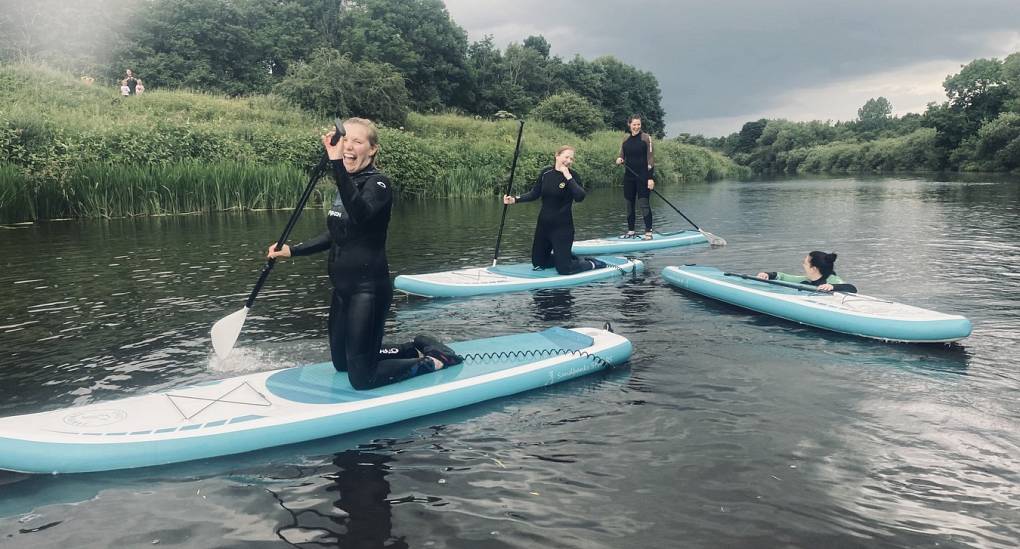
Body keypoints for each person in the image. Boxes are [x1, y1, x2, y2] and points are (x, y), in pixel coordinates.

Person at [266, 118, 462, 390]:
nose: (348, 147)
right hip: (342, 290)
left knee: (362, 378)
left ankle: (435, 360)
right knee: (343, 364)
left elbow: (359, 215)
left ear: (372, 150)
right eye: (345, 140)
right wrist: (293, 250)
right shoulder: (348, 182)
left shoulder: (379, 184)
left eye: (357, 141)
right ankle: (411, 347)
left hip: (367, 291)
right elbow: (338, 233)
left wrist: (336, 166)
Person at [503, 145, 606, 275]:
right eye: (566, 157)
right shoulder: (546, 173)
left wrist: (568, 176)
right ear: (557, 156)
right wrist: (514, 199)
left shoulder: (573, 176)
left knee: (564, 269)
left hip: (562, 228)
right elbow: (534, 193)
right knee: (539, 263)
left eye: (571, 159)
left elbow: (580, 197)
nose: (569, 161)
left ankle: (590, 263)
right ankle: (568, 257)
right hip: (544, 226)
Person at [614, 115, 655, 240]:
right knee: (629, 204)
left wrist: (650, 178)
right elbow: (621, 155)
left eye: (638, 124)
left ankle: (648, 232)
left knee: (643, 203)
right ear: (629, 124)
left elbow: (651, 158)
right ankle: (631, 231)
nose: (636, 127)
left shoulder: (646, 138)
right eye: (634, 124)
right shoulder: (625, 139)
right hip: (629, 177)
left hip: (643, 176)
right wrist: (619, 159)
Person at [756, 251, 857, 292]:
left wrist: (833, 286)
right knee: (803, 283)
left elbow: (852, 288)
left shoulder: (832, 279)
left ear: (813, 268)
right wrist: (767, 274)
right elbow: (783, 276)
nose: (803, 265)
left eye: (805, 263)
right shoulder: (807, 280)